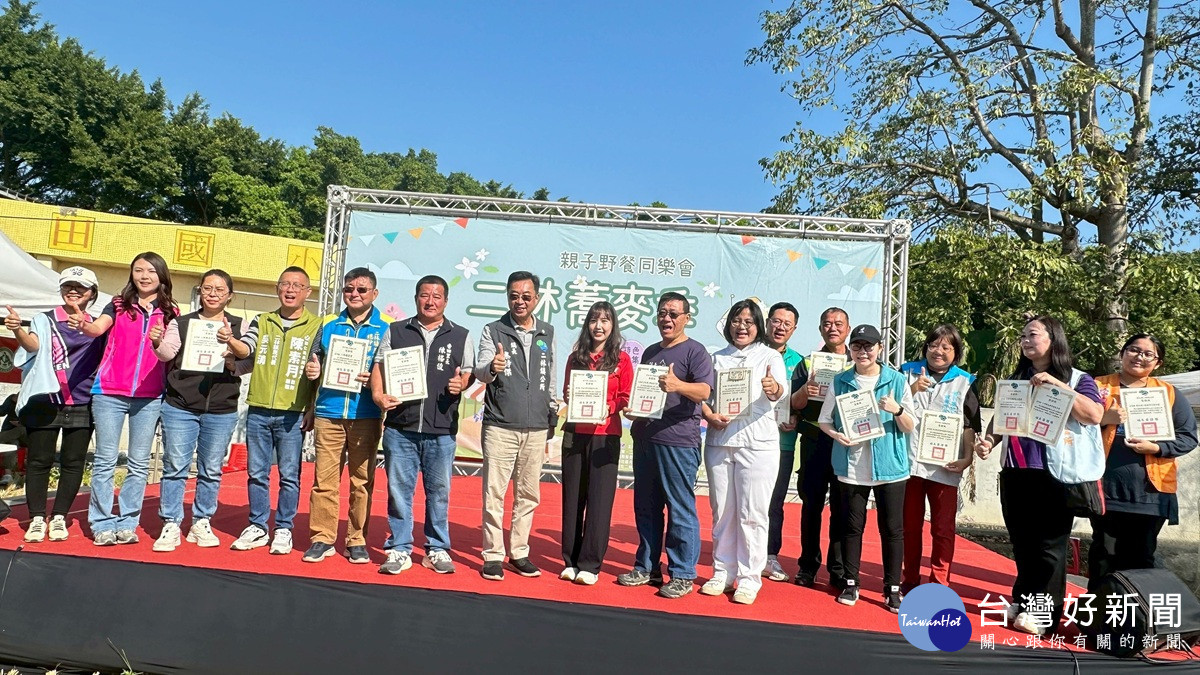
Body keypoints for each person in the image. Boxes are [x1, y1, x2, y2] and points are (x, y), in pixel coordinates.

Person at [975, 315, 1104, 635]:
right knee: (1022, 542)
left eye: (1032, 334)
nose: (1025, 341)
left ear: (1053, 339)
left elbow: (1094, 415)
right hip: (1015, 471)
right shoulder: (1017, 379)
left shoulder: (1078, 378)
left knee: (1049, 546)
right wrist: (989, 441)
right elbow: (1002, 419)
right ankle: (1023, 601)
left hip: (1055, 474)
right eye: (1023, 336)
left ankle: (1045, 614)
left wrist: (1057, 385)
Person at [370, 275, 474, 575]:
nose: (430, 301)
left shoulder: (461, 335)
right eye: (424, 295)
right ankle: (399, 548)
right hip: (400, 427)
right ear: (416, 298)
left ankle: (437, 549)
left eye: (436, 296)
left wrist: (462, 383)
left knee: (439, 493)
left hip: (441, 430)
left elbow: (468, 372)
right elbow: (379, 364)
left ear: (446, 301)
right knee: (399, 491)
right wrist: (378, 395)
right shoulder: (396, 330)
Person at [617, 292, 714, 599]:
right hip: (646, 438)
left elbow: (704, 391)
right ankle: (646, 567)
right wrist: (635, 410)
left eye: (673, 314)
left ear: (687, 318)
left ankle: (683, 573)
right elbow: (647, 394)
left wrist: (677, 386)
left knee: (680, 508)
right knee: (646, 507)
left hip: (678, 442)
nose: (667, 319)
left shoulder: (695, 351)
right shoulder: (650, 351)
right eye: (662, 313)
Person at [77, 253, 178, 546]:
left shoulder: (171, 311)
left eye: (151, 271)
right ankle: (101, 523)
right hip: (109, 391)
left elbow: (172, 351)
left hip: (150, 395)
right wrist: (84, 323)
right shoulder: (118, 304)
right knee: (105, 460)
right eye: (138, 270)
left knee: (138, 464)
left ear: (162, 275)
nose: (144, 276)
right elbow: (98, 328)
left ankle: (127, 522)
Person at [150, 269, 249, 552]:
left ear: (229, 296)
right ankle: (171, 522)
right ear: (200, 291)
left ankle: (201, 520)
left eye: (219, 289)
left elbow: (247, 361)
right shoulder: (182, 323)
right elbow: (167, 354)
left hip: (221, 408)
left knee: (211, 469)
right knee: (175, 466)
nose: (213, 294)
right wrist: (156, 341)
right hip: (180, 406)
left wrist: (230, 355)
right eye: (207, 288)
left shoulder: (240, 325)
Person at [819, 324, 914, 612]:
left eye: (869, 346)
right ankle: (851, 583)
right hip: (852, 465)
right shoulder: (841, 380)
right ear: (850, 350)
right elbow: (825, 420)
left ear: (880, 348)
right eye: (857, 346)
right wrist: (838, 436)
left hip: (891, 466)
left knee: (893, 530)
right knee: (851, 527)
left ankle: (892, 588)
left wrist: (897, 409)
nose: (863, 351)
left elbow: (910, 425)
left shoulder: (897, 380)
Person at [6, 266, 105, 542]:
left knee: (74, 462)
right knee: (39, 461)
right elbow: (32, 345)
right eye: (67, 286)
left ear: (92, 293)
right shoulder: (44, 319)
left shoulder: (98, 326)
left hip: (83, 400)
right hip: (45, 399)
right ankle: (37, 518)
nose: (73, 291)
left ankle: (60, 516)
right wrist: (17, 330)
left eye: (80, 287)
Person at [1090, 334, 1197, 587]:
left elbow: (1188, 437)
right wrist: (1104, 419)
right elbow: (1073, 427)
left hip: (1151, 494)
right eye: (1134, 350)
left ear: (1158, 363)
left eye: (1148, 354)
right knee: (1103, 555)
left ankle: (1135, 611)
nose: (1139, 357)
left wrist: (1156, 447)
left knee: (1140, 558)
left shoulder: (1168, 393)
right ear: (1122, 353)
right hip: (1105, 489)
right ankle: (1099, 609)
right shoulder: (1097, 386)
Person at [699, 300, 786, 605]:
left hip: (757, 445)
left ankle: (749, 578)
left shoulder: (770, 356)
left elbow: (779, 392)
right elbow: (704, 397)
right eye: (737, 321)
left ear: (758, 326)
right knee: (722, 511)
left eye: (749, 322)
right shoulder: (716, 358)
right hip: (720, 441)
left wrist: (773, 387)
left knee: (752, 513)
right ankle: (722, 571)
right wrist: (709, 415)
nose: (742, 327)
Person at [230, 266, 323, 555]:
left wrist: (312, 408)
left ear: (307, 292)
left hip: (293, 412)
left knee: (289, 475)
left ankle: (284, 528)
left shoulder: (317, 327)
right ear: (277, 289)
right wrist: (230, 343)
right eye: (285, 284)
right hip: (258, 408)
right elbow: (247, 351)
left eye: (297, 285)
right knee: (256, 472)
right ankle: (258, 526)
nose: (290, 290)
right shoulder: (262, 320)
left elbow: (318, 371)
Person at [302, 267, 390, 564]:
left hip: (366, 414)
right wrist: (312, 372)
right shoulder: (328, 324)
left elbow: (391, 371)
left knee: (361, 481)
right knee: (324, 480)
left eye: (361, 290)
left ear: (374, 293)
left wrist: (375, 381)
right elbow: (314, 363)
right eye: (349, 289)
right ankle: (322, 537)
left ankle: (357, 539)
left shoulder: (387, 327)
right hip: (328, 412)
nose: (354, 294)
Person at [473, 271, 558, 581]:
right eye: (514, 296)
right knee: (494, 493)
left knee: (528, 494)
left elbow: (550, 376)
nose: (519, 301)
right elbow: (480, 370)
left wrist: (552, 412)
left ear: (536, 299)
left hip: (536, 427)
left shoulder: (547, 332)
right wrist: (492, 367)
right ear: (507, 297)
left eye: (526, 296)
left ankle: (519, 552)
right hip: (500, 426)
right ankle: (493, 554)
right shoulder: (493, 330)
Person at [899, 324, 981, 593]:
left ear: (956, 352)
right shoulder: (906, 371)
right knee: (909, 526)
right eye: (934, 345)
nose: (938, 351)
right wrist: (911, 390)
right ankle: (909, 579)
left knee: (943, 529)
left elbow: (970, 425)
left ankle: (939, 583)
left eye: (946, 347)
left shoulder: (965, 381)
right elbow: (889, 406)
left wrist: (967, 458)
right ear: (926, 347)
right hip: (909, 462)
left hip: (946, 466)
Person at [559, 301, 632, 586]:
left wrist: (609, 406)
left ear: (613, 325)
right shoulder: (575, 357)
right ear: (587, 324)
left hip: (605, 436)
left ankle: (590, 564)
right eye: (593, 320)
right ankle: (570, 560)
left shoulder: (621, 360)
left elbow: (625, 396)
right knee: (572, 498)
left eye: (605, 320)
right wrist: (570, 395)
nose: (598, 326)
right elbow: (567, 393)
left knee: (600, 502)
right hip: (575, 433)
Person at [789, 307, 851, 588]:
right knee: (811, 506)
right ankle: (807, 566)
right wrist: (806, 391)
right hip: (814, 441)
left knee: (841, 507)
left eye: (838, 324)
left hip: (844, 444)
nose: (832, 328)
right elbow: (794, 404)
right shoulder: (807, 363)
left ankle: (838, 569)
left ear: (847, 329)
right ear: (820, 329)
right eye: (827, 323)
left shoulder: (858, 362)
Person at [763, 302, 804, 582]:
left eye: (787, 324)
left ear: (794, 329)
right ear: (767, 322)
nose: (780, 327)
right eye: (776, 321)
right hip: (750, 441)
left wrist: (797, 419)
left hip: (782, 443)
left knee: (774, 502)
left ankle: (770, 556)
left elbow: (804, 403)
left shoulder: (800, 362)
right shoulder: (752, 353)